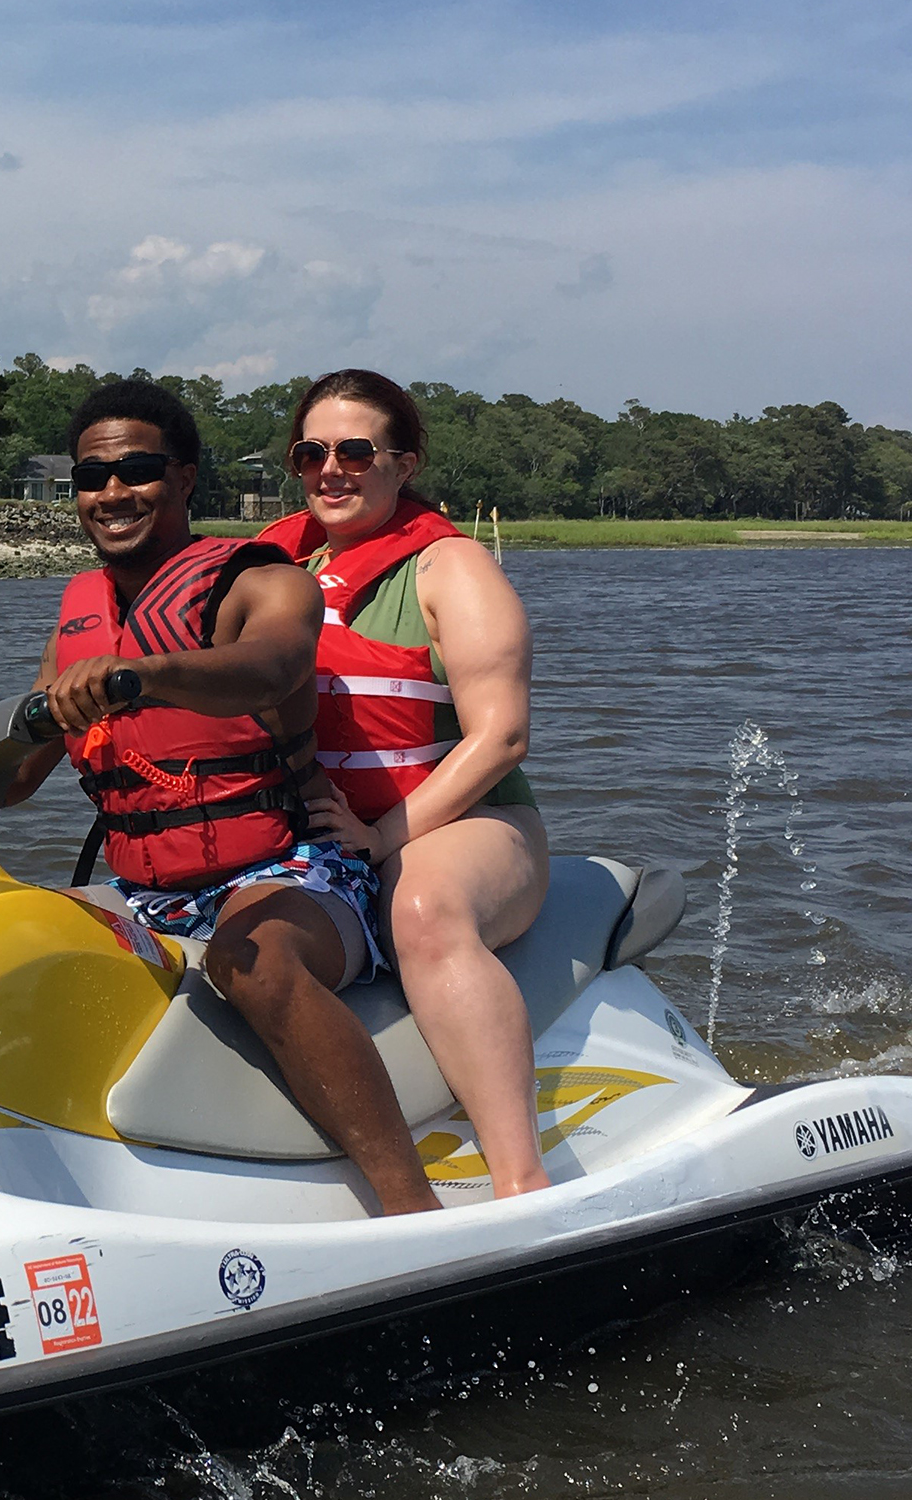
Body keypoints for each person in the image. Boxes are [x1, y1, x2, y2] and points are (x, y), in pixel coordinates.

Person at [0, 379, 443, 1215]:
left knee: (258, 965)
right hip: (146, 891)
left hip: (291, 869)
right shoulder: (77, 617)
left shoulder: (261, 581)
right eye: (91, 478)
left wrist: (147, 677)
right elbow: (21, 774)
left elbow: (274, 664)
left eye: (136, 470)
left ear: (183, 478)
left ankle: (407, 1204)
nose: (111, 493)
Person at [257, 369, 551, 1199]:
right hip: (320, 834)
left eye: (355, 451)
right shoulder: (270, 567)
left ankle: (519, 1181)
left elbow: (501, 737)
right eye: (309, 452)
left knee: (420, 912)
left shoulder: (448, 569)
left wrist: (384, 840)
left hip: (467, 826)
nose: (329, 470)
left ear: (403, 463)